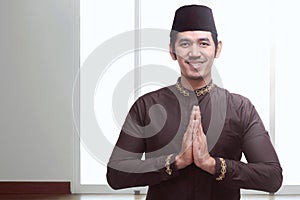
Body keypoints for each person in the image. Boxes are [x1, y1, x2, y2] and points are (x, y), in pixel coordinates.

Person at [106, 4, 282, 200]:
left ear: (218, 48)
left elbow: (272, 177)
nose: (195, 53)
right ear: (172, 51)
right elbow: (116, 174)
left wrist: (212, 164)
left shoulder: (240, 108)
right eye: (185, 44)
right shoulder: (146, 106)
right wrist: (174, 162)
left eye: (204, 43)